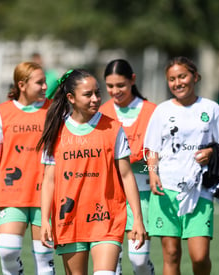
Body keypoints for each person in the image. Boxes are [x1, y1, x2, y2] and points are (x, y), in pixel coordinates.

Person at [37, 69, 147, 275]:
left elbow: (126, 176)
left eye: (97, 93)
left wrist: (138, 220)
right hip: (69, 220)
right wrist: (45, 220)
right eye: (88, 94)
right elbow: (49, 180)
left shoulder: (113, 128)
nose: (95, 99)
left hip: (107, 218)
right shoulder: (56, 131)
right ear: (71, 97)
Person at [144, 56, 219, 275]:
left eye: (182, 76)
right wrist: (153, 174)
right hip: (167, 189)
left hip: (199, 188)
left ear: (195, 76)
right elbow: (151, 149)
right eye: (172, 79)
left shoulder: (211, 109)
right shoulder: (162, 111)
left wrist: (211, 152)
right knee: (171, 254)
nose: (178, 83)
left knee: (200, 256)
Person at [0, 61, 55, 274]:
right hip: (12, 192)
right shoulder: (2, 112)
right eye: (40, 82)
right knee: (8, 251)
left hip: (45, 194)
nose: (45, 87)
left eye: (45, 82)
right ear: (22, 85)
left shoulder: (53, 110)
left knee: (45, 257)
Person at [99, 59, 156, 275]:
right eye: (110, 86)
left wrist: (151, 170)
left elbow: (159, 153)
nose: (115, 91)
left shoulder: (152, 111)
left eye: (120, 85)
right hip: (109, 197)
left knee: (139, 260)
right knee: (111, 264)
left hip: (141, 195)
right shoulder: (101, 112)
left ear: (132, 80)